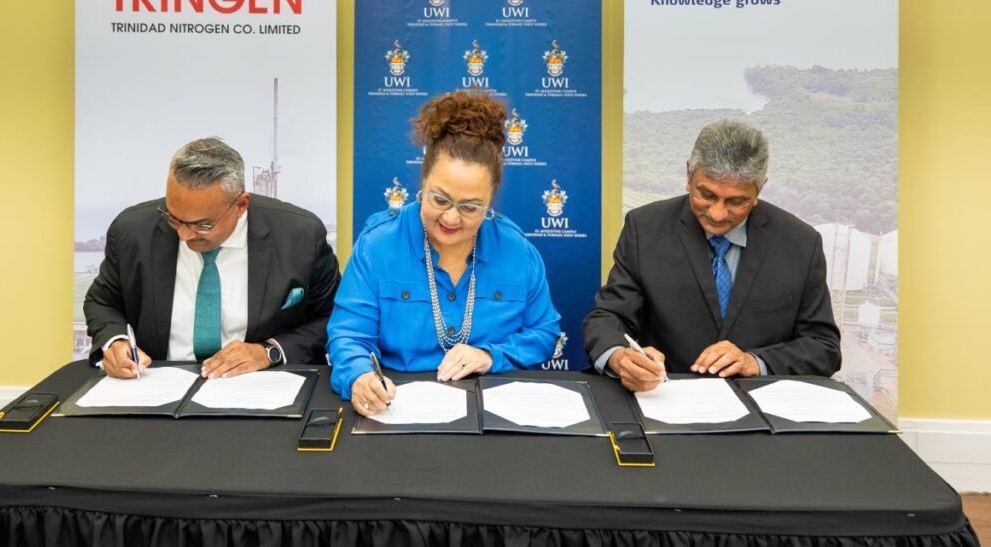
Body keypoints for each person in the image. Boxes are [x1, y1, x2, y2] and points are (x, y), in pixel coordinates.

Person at [327, 91, 561, 414]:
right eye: (439, 200)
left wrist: (491, 355)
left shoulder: (518, 253)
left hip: (491, 415)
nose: (451, 218)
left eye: (470, 207)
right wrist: (360, 377)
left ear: (490, 202)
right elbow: (348, 336)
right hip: (397, 410)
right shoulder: (377, 247)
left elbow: (545, 332)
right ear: (423, 181)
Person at [583, 119, 841, 392]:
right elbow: (607, 318)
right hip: (664, 401)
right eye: (706, 194)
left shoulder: (800, 243)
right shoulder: (644, 229)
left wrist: (755, 361)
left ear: (759, 189)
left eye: (736, 201)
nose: (717, 214)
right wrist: (620, 357)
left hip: (760, 415)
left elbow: (823, 347)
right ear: (688, 175)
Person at [85, 137, 340, 379]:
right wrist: (115, 341)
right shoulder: (133, 231)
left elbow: (334, 317)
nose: (184, 235)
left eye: (202, 225)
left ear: (240, 205)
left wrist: (269, 351)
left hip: (261, 384)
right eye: (174, 218)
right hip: (156, 384)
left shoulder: (299, 237)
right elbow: (102, 302)